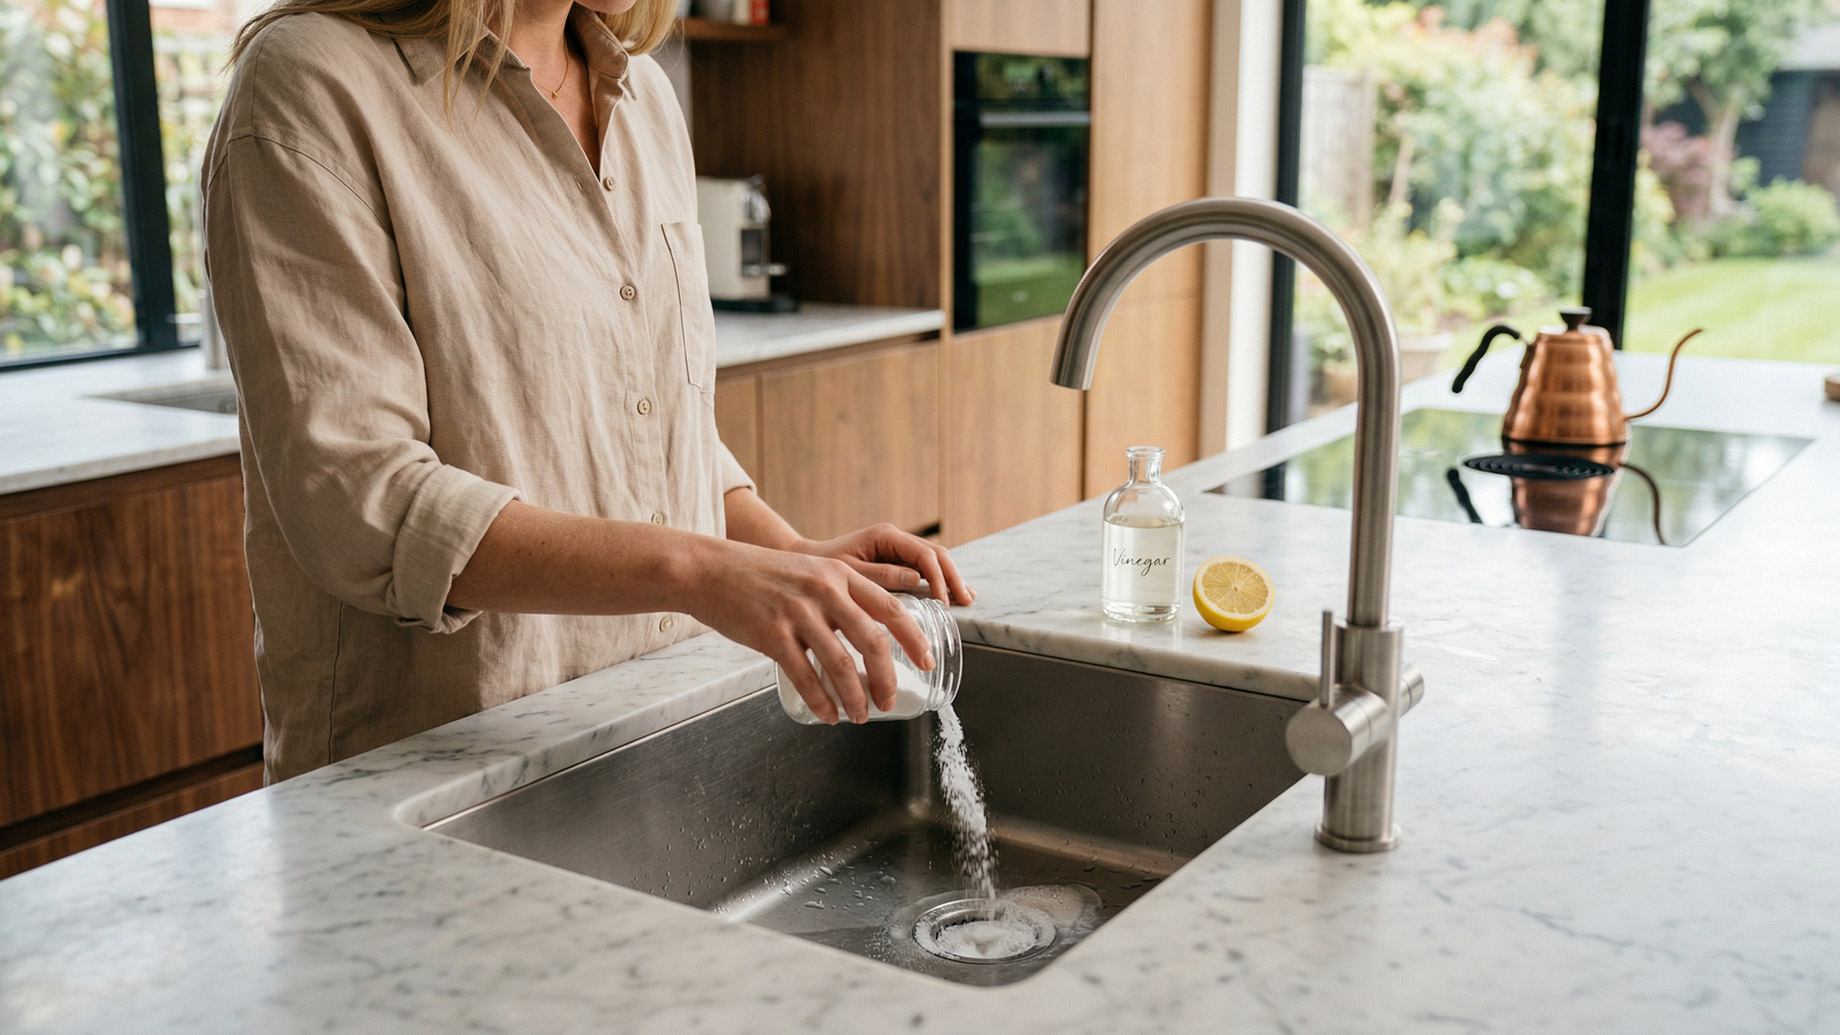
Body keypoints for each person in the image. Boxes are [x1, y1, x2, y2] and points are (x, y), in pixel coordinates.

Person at [203, 0, 972, 782]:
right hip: (437, 778)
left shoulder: (644, 100)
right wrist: (701, 572)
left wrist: (791, 554)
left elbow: (657, 418)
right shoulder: (313, 85)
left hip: (645, 742)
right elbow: (362, 499)